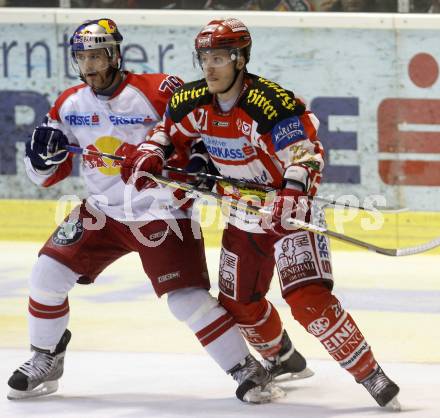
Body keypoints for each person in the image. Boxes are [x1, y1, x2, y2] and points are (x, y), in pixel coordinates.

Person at [7, 18, 278, 404]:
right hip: (102, 214)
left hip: (163, 212)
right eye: (82, 58)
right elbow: (44, 177)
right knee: (45, 276)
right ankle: (45, 357)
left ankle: (246, 368)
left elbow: (202, 130)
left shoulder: (159, 90)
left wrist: (201, 162)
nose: (90, 67)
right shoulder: (69, 104)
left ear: (115, 55)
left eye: (98, 56)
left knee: (185, 299)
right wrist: (39, 160)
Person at [142, 18, 401, 409]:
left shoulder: (269, 103)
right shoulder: (190, 101)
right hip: (243, 214)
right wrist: (154, 154)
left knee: (308, 299)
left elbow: (306, 153)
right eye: (203, 59)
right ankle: (282, 357)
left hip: (289, 213)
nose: (209, 68)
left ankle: (370, 374)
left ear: (240, 59)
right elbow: (168, 134)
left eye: (218, 58)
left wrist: (292, 193)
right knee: (239, 304)